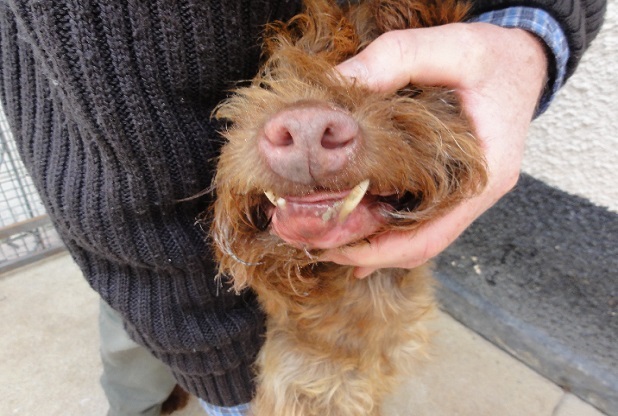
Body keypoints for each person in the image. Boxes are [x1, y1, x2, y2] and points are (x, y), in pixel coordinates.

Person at [0, 0, 606, 415]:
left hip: (346, 243)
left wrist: (530, 32)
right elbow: (116, 183)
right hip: (147, 237)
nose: (311, 138)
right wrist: (232, 385)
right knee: (133, 330)